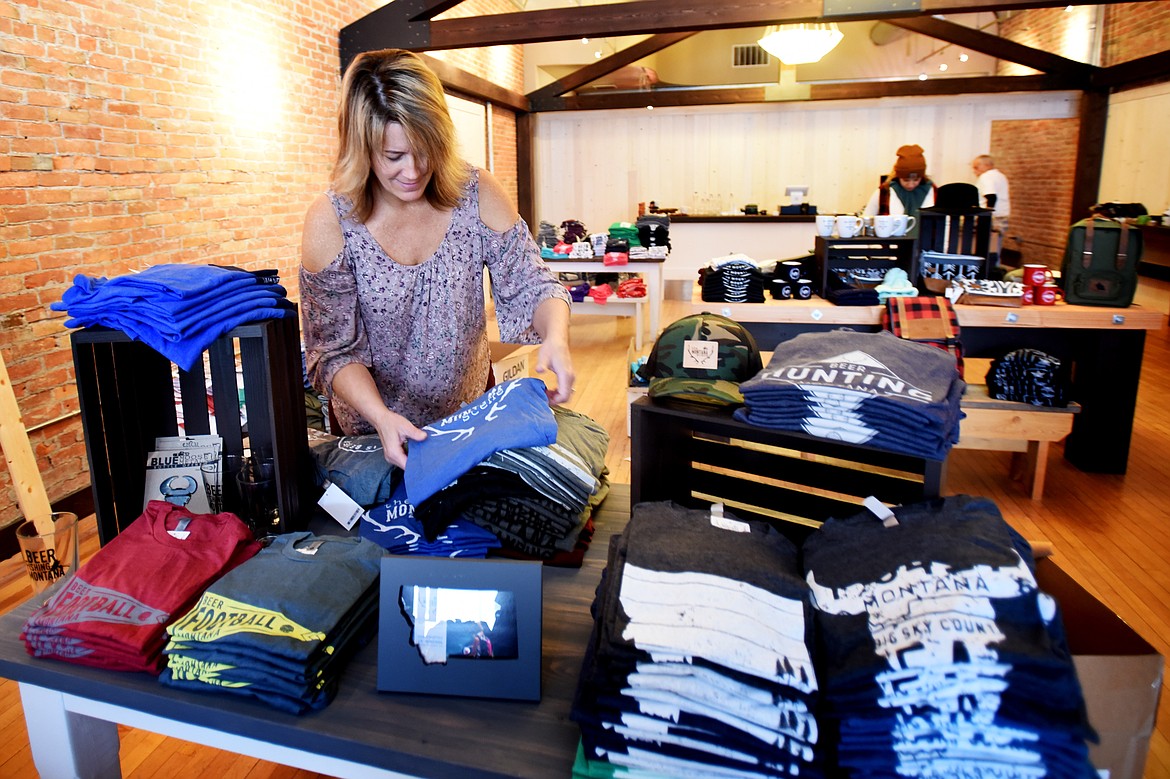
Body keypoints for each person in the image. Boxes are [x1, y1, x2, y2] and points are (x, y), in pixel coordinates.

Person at [300, 49, 574, 469]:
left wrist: (555, 336)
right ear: (362, 147)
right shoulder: (331, 220)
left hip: (468, 415)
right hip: (373, 430)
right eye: (393, 157)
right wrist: (380, 416)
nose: (413, 171)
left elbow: (532, 282)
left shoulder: (475, 192)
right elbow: (333, 350)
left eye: (425, 150)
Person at [862, 144, 936, 235]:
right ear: (898, 175)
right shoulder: (884, 193)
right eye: (906, 180)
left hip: (925, 248)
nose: (911, 185)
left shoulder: (933, 192)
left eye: (916, 180)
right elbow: (866, 220)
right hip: (889, 247)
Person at [972, 154, 1011, 259]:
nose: (974, 171)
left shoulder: (986, 176)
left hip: (991, 217)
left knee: (985, 248)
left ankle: (984, 271)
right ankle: (994, 269)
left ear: (987, 165)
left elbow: (991, 196)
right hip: (1002, 215)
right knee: (996, 248)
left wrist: (986, 217)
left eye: (976, 167)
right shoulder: (1001, 176)